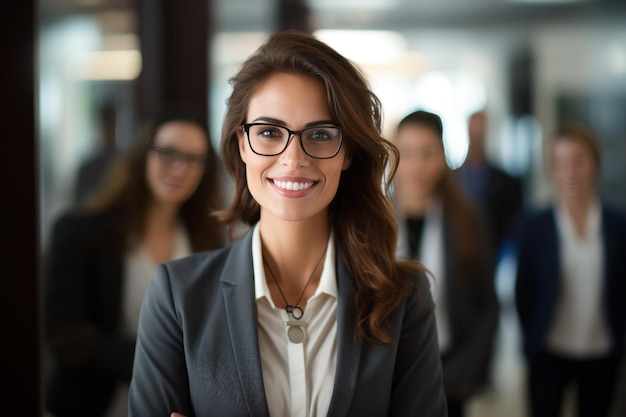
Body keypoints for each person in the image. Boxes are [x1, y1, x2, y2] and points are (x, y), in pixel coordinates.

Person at [129, 30, 447, 417]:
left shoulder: (404, 298)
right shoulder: (177, 297)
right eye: (268, 132)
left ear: (347, 152)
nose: (293, 158)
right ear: (242, 143)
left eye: (319, 134)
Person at [43, 107, 226, 417]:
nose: (179, 169)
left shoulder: (207, 242)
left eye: (194, 160)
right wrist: (159, 362)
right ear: (143, 155)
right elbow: (66, 335)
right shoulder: (80, 232)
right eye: (167, 153)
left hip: (172, 407)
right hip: (92, 404)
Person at [514, 121, 626, 417]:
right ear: (551, 169)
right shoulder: (534, 226)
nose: (570, 172)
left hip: (602, 351)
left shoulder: (618, 225)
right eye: (561, 163)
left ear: (596, 164)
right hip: (549, 351)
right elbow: (522, 292)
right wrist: (531, 340)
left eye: (579, 161)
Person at [393, 110, 499, 417]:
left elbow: (487, 306)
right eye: (407, 153)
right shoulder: (371, 224)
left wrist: (465, 372)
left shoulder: (469, 219)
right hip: (387, 369)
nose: (417, 166)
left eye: (428, 154)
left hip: (450, 369)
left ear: (443, 157)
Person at [456, 110, 523, 253]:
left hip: (493, 251)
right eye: (473, 132)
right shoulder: (453, 178)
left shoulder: (506, 182)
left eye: (480, 132)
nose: (476, 137)